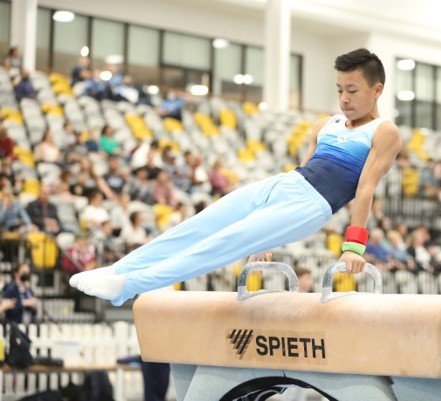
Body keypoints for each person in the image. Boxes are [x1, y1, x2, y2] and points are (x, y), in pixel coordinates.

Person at [69, 48, 402, 307]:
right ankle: (119, 270)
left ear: (377, 90)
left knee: (221, 244)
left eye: (353, 91)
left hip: (311, 205)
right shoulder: (326, 124)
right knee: (201, 224)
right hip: (286, 183)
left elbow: (365, 187)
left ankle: (130, 287)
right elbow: (305, 168)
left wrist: (354, 248)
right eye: (340, 89)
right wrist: (266, 241)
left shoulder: (384, 132)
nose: (344, 98)